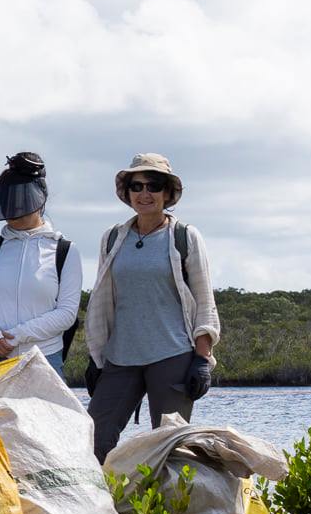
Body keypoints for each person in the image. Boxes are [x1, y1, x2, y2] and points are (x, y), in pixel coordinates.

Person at [85, 153, 221, 462]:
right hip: (120, 357)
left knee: (171, 449)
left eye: (154, 186)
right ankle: (106, 495)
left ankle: (171, 498)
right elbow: (103, 301)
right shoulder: (112, 238)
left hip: (173, 355)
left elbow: (204, 300)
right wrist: (96, 358)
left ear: (167, 192)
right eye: (137, 186)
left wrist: (202, 359)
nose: (144, 194)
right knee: (94, 438)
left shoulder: (184, 236)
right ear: (128, 192)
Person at [0, 152, 82, 377]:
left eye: (21, 200)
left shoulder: (65, 250)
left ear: (40, 198)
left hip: (44, 360)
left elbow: (66, 313)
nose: (14, 208)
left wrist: (16, 337)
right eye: (8, 200)